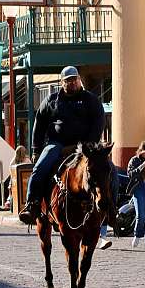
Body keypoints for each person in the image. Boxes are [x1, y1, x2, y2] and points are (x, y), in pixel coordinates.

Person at [18, 66, 105, 225]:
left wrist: (90, 144)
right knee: (39, 168)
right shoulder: (51, 100)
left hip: (85, 146)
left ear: (79, 80)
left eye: (75, 79)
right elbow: (39, 125)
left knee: (107, 170)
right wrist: (36, 150)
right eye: (68, 80)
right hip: (57, 144)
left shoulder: (91, 99)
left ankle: (111, 209)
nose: (72, 83)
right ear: (62, 82)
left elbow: (99, 122)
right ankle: (32, 205)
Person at [99, 159, 119, 250]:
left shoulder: (110, 165)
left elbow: (115, 184)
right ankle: (103, 237)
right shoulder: (110, 164)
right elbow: (115, 185)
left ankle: (103, 238)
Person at [7, 146, 32, 211]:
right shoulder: (27, 160)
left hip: (18, 182)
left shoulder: (13, 161)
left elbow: (11, 173)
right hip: (23, 182)